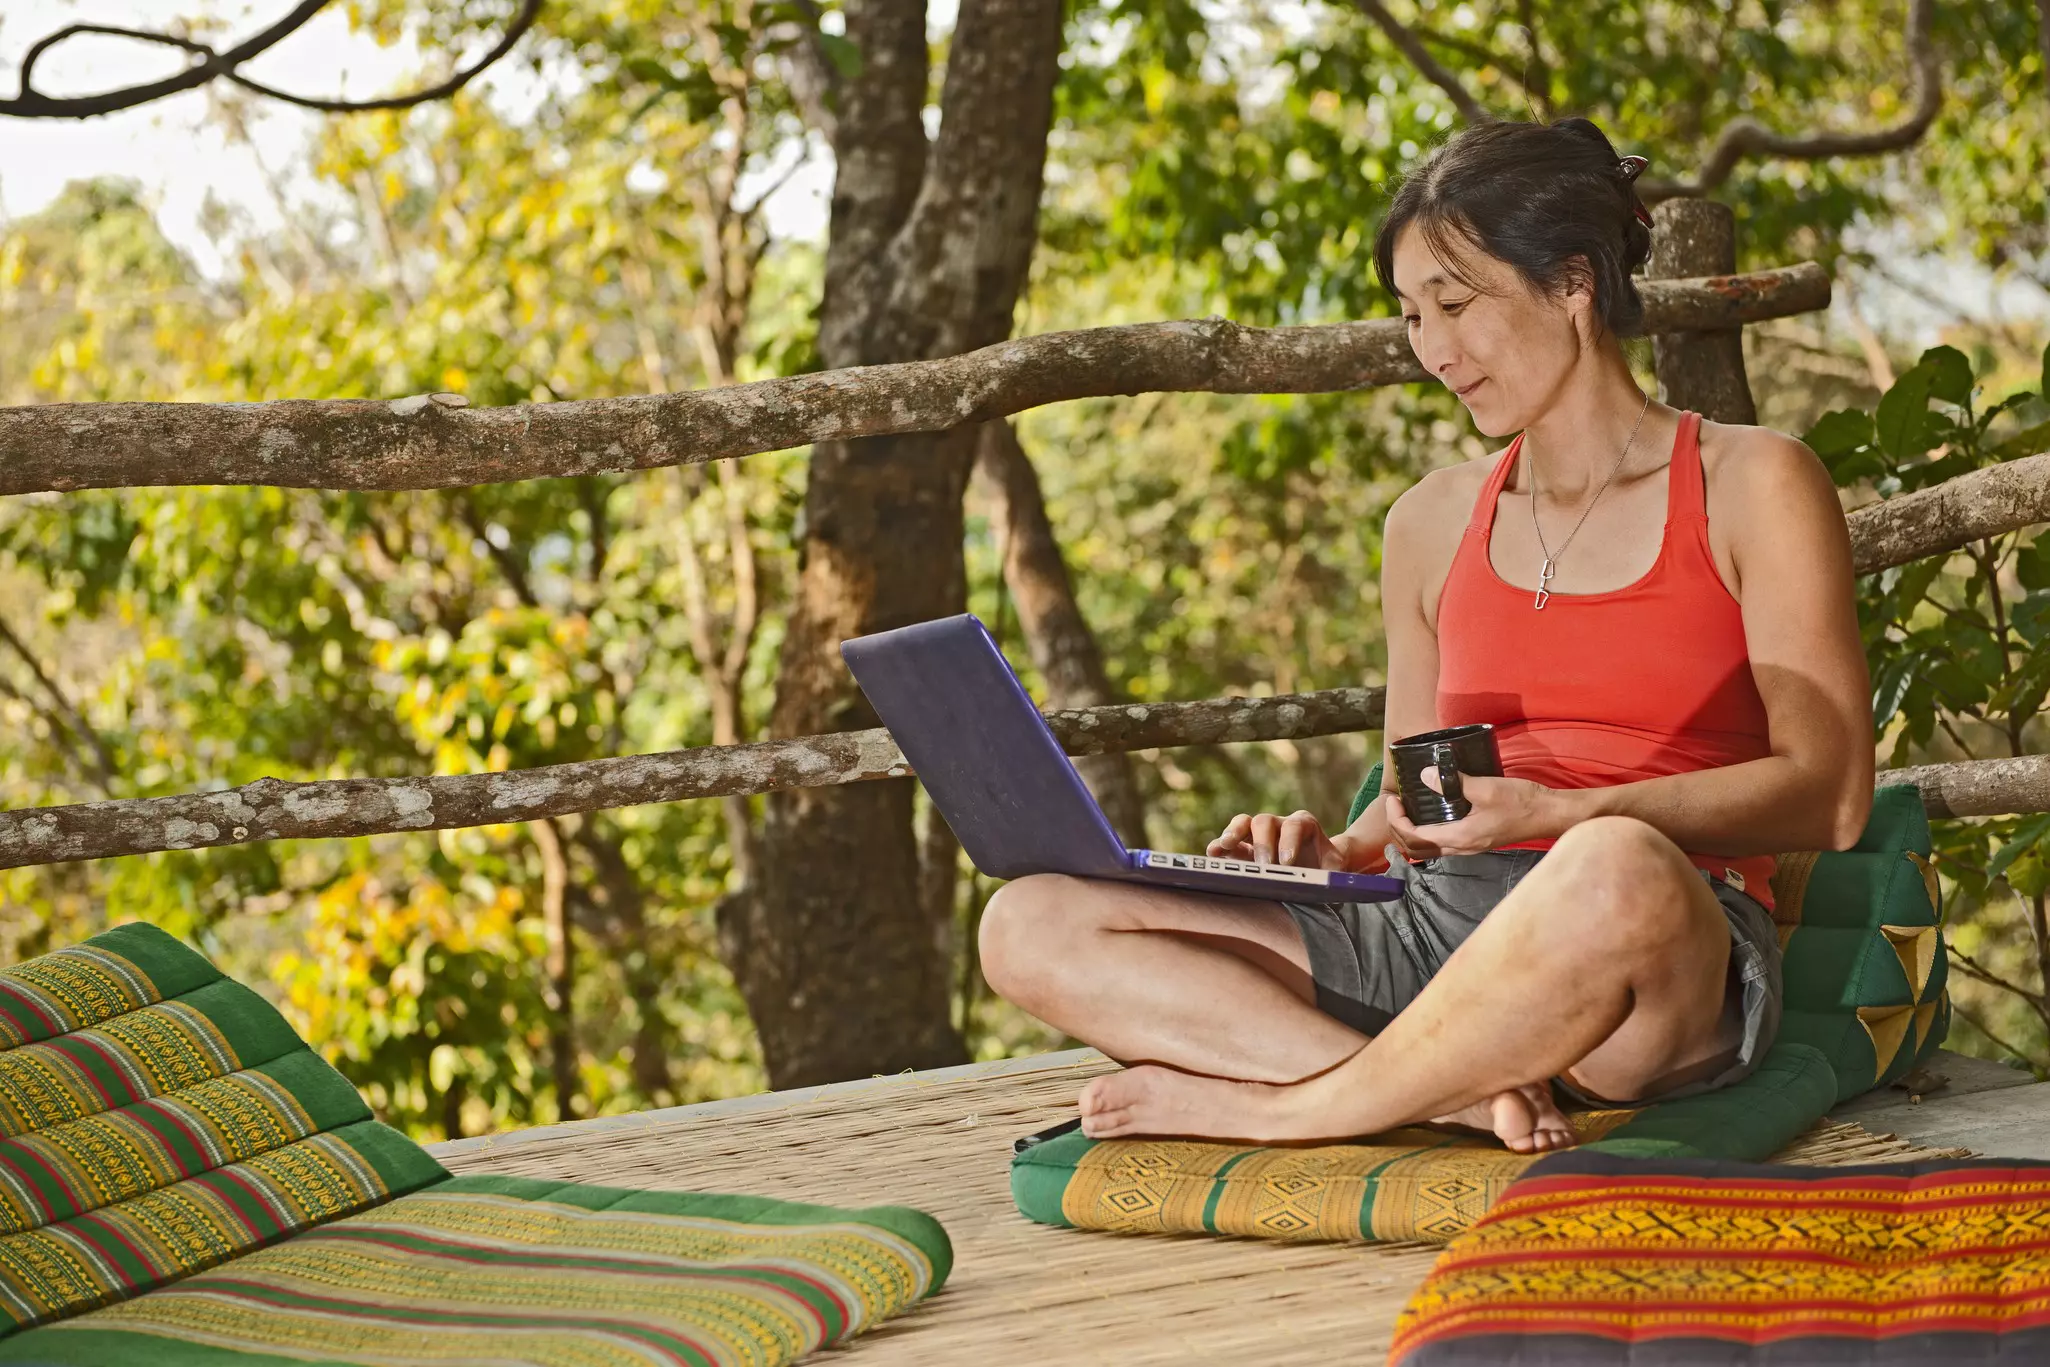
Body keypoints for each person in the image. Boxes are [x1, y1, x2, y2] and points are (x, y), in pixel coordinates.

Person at [974, 117, 1875, 1154]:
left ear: (1573, 284)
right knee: (1031, 918)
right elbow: (1409, 811)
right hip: (1434, 928)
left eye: (1455, 303)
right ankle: (1444, 1091)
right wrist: (1333, 850)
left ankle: (1293, 1104)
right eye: (1410, 315)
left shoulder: (1752, 484)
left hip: (1647, 950)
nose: (1432, 349)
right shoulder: (1428, 521)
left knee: (1609, 859)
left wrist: (1563, 809)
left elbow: (1833, 791)